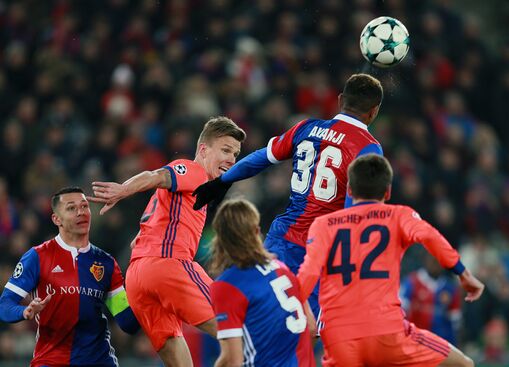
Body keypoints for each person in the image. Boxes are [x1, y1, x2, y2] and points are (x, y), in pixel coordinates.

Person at [193, 73, 384, 319]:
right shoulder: (369, 147)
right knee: (303, 328)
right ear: (374, 111)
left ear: (339, 100)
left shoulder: (307, 128)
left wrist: (222, 181)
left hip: (281, 240)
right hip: (319, 251)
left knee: (260, 317)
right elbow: (354, 209)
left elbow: (262, 157)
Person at [88, 116, 246, 367]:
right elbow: (158, 175)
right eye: (225, 150)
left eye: (235, 154)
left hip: (138, 277)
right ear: (203, 150)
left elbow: (138, 239)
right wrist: (123, 189)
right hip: (168, 266)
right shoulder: (194, 171)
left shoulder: (181, 197)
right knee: (238, 331)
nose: (231, 159)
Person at [298, 154, 484, 367]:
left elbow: (308, 274)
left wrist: (305, 313)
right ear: (388, 191)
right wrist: (464, 274)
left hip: (339, 337)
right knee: (464, 364)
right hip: (387, 332)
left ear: (349, 190)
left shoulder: (322, 224)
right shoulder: (399, 215)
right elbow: (430, 237)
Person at [0, 187, 139, 367]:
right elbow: (4, 305)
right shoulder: (37, 257)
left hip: (99, 361)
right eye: (71, 208)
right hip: (51, 361)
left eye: (84, 206)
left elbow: (127, 322)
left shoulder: (106, 262)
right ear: (56, 219)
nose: (81, 212)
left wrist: (145, 286)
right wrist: (24, 312)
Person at [209, 199, 315, 367]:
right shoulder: (283, 269)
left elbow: (232, 361)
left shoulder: (226, 285)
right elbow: (311, 328)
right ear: (257, 231)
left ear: (220, 238)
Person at [401, 253, 462, 346]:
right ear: (425, 260)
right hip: (416, 341)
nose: (436, 264)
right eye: (433, 260)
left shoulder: (450, 288)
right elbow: (400, 310)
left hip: (442, 343)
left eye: (439, 261)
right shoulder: (412, 282)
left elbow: (455, 320)